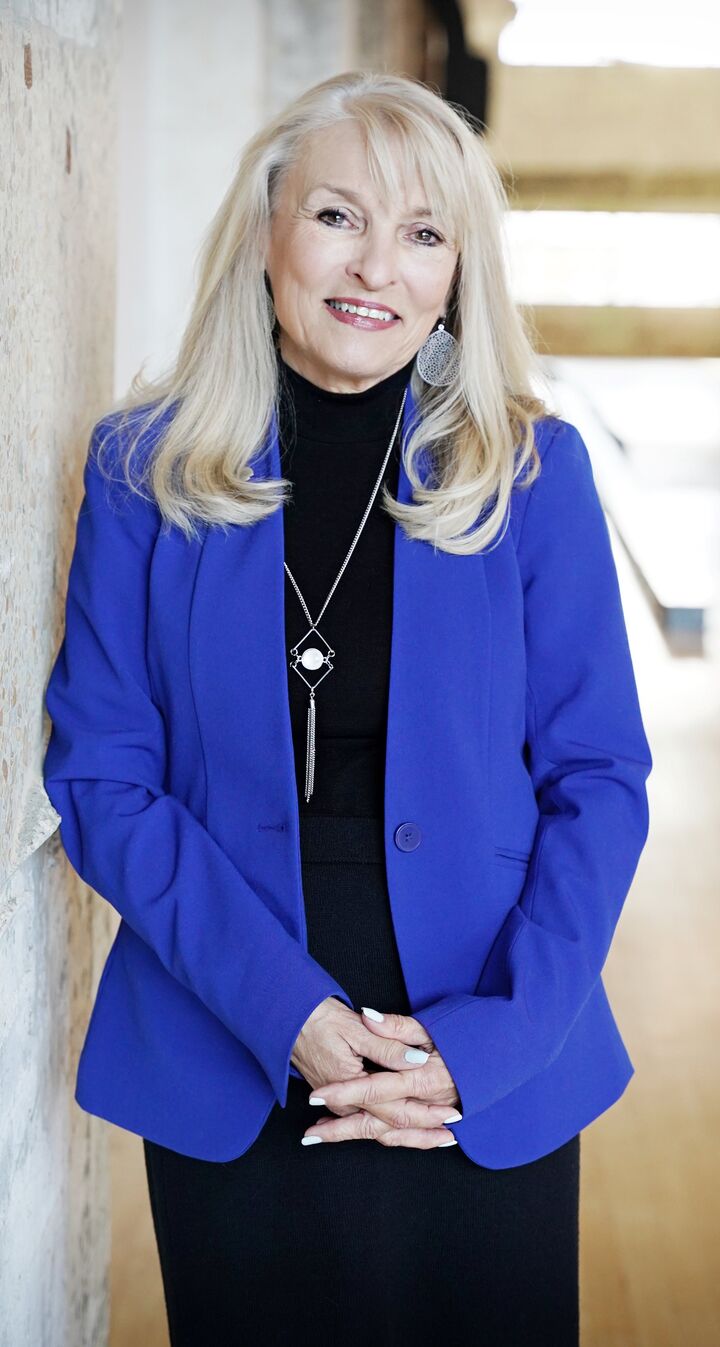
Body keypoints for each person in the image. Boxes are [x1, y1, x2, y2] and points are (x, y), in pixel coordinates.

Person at [42, 69, 652, 1346]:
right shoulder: (141, 471)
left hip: (479, 1055)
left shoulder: (530, 474)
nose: (378, 266)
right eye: (338, 217)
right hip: (232, 1037)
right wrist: (292, 1016)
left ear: (457, 275)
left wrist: (492, 1046)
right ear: (265, 231)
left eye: (424, 233)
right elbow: (102, 779)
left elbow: (598, 781)